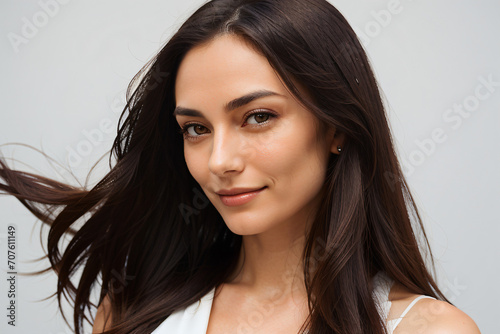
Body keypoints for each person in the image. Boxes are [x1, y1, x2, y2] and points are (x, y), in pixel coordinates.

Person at [0, 0, 481, 333]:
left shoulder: (427, 329)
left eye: (257, 117)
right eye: (196, 128)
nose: (219, 162)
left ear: (336, 128)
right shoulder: (134, 313)